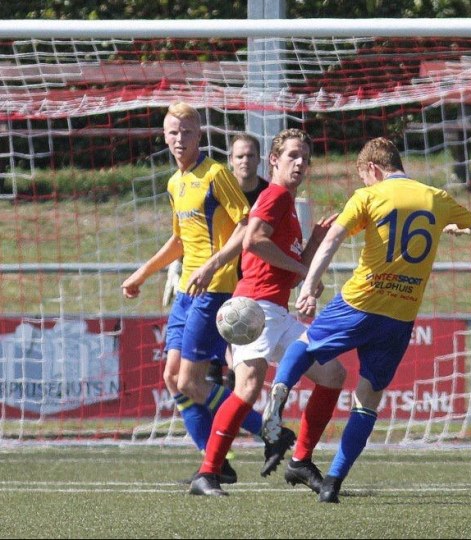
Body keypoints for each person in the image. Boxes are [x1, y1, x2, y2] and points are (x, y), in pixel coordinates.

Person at [261, 137, 471, 503]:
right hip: (400, 316)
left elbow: (333, 238)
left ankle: (279, 395)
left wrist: (310, 285)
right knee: (368, 399)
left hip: (360, 303)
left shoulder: (370, 196)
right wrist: (457, 228)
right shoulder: (437, 198)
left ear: (373, 170)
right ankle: (333, 481)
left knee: (303, 345)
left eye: (364, 178)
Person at [188, 128, 347, 497]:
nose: (300, 163)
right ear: (274, 160)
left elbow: (289, 275)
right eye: (292, 155)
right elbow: (253, 240)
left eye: (305, 158)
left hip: (277, 309)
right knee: (246, 388)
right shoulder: (274, 196)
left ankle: (300, 462)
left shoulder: (288, 205)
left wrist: (315, 245)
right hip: (256, 309)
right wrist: (306, 269)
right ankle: (207, 473)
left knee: (333, 374)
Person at [121, 102, 273, 486]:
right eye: (173, 132)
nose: (179, 139)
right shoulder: (176, 183)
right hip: (187, 291)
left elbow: (246, 227)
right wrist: (142, 273)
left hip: (215, 287)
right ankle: (216, 462)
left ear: (199, 135)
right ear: (164, 136)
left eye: (186, 132)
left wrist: (211, 266)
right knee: (172, 377)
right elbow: (179, 240)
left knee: (190, 381)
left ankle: (267, 430)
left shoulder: (216, 174)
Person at [206, 133, 270, 391]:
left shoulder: (268, 194)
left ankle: (240, 418)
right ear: (230, 160)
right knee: (213, 357)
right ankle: (213, 421)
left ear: (259, 159)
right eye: (239, 156)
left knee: (242, 349)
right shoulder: (219, 190)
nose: (245, 161)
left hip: (252, 278)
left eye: (250, 155)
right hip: (219, 273)